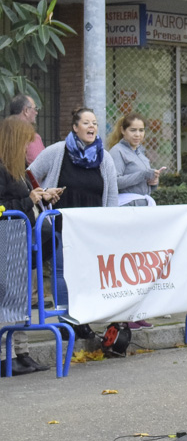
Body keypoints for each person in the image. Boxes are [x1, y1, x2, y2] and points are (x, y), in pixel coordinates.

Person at [27, 107, 120, 309]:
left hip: (92, 228)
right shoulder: (57, 151)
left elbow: (112, 195)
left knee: (89, 272)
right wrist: (43, 193)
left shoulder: (104, 158)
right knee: (62, 272)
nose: (92, 126)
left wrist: (111, 223)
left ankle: (83, 318)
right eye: (86, 123)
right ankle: (64, 322)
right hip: (61, 226)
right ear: (75, 127)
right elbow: (30, 175)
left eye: (94, 123)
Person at [0, 116, 51, 375]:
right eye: (24, 143)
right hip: (6, 242)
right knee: (6, 301)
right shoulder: (2, 169)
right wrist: (27, 201)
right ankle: (4, 357)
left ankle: (23, 353)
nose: (26, 150)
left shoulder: (18, 171)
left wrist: (40, 197)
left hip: (20, 242)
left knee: (20, 302)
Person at [106, 113, 165, 328]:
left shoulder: (140, 152)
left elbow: (144, 184)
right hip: (126, 209)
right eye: (133, 130)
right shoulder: (117, 152)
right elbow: (115, 182)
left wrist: (153, 180)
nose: (138, 134)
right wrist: (143, 176)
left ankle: (137, 311)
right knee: (126, 263)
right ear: (123, 130)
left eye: (141, 130)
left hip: (141, 208)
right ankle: (123, 314)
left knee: (139, 263)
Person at [7, 95, 45, 164]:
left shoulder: (4, 133)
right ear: (26, 111)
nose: (36, 112)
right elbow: (40, 165)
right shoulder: (30, 137)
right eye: (35, 108)